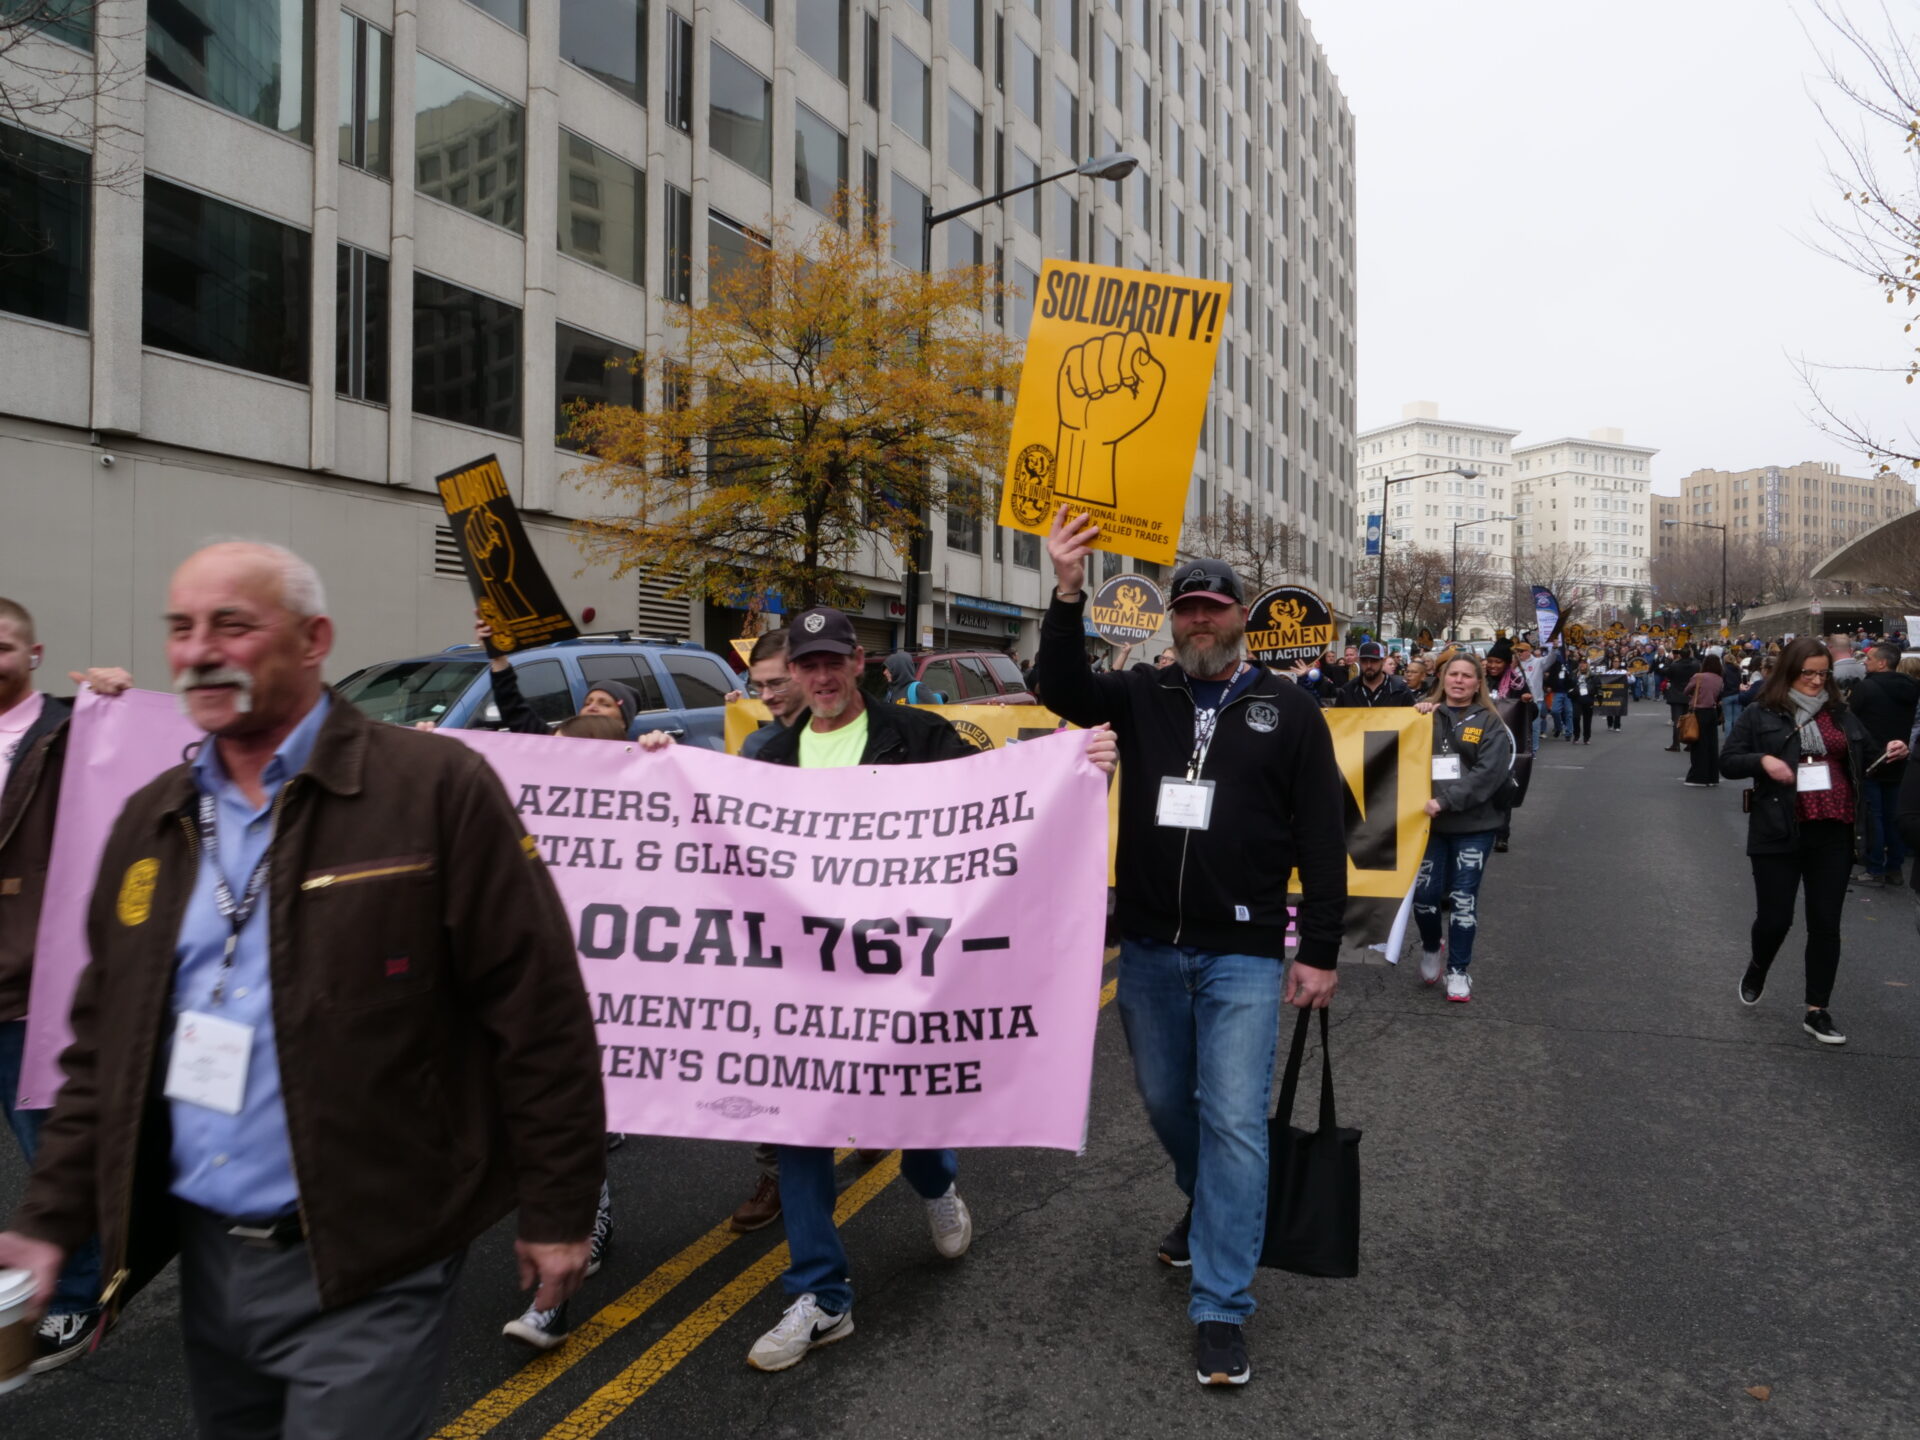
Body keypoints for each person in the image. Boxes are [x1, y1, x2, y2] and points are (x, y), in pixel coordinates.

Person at [0, 543, 606, 1437]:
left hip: (379, 1250)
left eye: (232, 625)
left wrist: (558, 1209)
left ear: (315, 639)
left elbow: (539, 1012)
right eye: (181, 627)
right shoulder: (150, 819)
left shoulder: (435, 789)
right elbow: (104, 1045)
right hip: (209, 1255)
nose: (199, 650)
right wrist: (49, 1220)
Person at [733, 605, 1113, 1373]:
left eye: (835, 660)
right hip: (807, 980)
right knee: (801, 1124)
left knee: (910, 1106)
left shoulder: (920, 737)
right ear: (795, 673)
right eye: (808, 666)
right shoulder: (768, 752)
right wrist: (650, 765)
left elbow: (1000, 799)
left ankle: (934, 1180)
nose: (822, 676)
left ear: (860, 663)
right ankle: (822, 1296)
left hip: (902, 968)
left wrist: (1078, 765)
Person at [1039, 511, 1345, 1389]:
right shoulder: (1143, 693)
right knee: (1171, 1103)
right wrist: (1066, 590)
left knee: (1237, 1122)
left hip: (1244, 951)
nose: (1201, 622)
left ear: (1242, 617)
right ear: (1172, 620)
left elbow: (1323, 840)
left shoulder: (1288, 711)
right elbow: (1059, 685)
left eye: (1215, 610)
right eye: (1189, 611)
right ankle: (1210, 1205)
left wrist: (1318, 950)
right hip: (1147, 948)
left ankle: (1220, 1305)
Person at [0, 598, 132, 1370]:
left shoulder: (68, 729)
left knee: (50, 1144)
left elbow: (144, 759)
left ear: (36, 653)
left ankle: (80, 1298)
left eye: (3, 646)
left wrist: (118, 699)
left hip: (29, 985)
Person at [1722, 637, 1907, 1045]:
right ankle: (1759, 964)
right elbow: (1729, 760)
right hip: (1779, 828)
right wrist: (1763, 761)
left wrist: (1892, 751)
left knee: (1826, 924)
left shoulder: (1840, 713)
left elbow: (1868, 758)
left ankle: (1817, 1010)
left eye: (1823, 673)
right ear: (1789, 671)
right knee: (1776, 920)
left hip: (1835, 829)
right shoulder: (1761, 713)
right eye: (1807, 672)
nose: (1816, 680)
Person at [1411, 654, 1516, 1001]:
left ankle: (1458, 971)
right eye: (1452, 674)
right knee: (1424, 899)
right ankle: (1430, 946)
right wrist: (1416, 715)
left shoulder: (1491, 723)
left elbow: (1487, 774)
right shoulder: (1424, 714)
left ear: (1477, 683)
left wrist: (1446, 801)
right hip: (1429, 826)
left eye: (1466, 676)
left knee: (1463, 900)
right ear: (1442, 678)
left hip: (1474, 825)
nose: (1458, 680)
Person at [476, 613, 640, 735]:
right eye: (587, 703)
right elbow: (512, 707)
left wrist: (661, 747)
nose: (592, 707)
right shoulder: (553, 741)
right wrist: (497, 657)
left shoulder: (638, 763)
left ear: (623, 723)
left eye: (605, 704)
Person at [1850, 641, 1918, 886]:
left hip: (1872, 758)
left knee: (1873, 815)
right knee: (1894, 815)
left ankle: (1875, 867)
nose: (1865, 663)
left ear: (1882, 662)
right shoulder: (1912, 688)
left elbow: (1850, 719)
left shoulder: (1866, 688)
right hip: (1899, 757)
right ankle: (1895, 868)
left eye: (1869, 659)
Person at [738, 629, 805, 763]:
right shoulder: (754, 745)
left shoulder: (839, 736)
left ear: (802, 674)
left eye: (776, 683)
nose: (766, 696)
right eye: (758, 686)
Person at [1682, 656, 1725, 787]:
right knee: (1712, 745)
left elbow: (1686, 691)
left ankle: (1698, 777)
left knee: (1698, 745)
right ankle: (1712, 777)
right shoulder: (1719, 679)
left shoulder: (1699, 676)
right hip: (1712, 711)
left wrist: (1695, 694)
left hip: (1699, 711)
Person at [1333, 640, 1415, 707]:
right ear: (1359, 661)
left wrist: (1422, 707)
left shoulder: (1400, 689)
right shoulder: (1347, 690)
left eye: (1374, 660)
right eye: (1364, 661)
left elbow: (1413, 718)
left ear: (1382, 661)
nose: (1369, 665)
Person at [1664, 648, 1700, 751]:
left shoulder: (1675, 665)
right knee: (1689, 719)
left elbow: (1667, 673)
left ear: (1680, 655)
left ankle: (1676, 744)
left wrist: (1669, 660)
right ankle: (1689, 743)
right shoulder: (1695, 665)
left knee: (1677, 721)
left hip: (1676, 694)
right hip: (1689, 694)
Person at [1567, 655, 1598, 744]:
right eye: (1581, 663)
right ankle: (1576, 736)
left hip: (1588, 699)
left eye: (1584, 663)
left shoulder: (1592, 675)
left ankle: (1586, 738)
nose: (1582, 665)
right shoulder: (1574, 674)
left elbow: (1597, 686)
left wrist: (1596, 695)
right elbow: (1569, 685)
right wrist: (1571, 692)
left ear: (1587, 665)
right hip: (1577, 699)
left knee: (1587, 719)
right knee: (1576, 717)